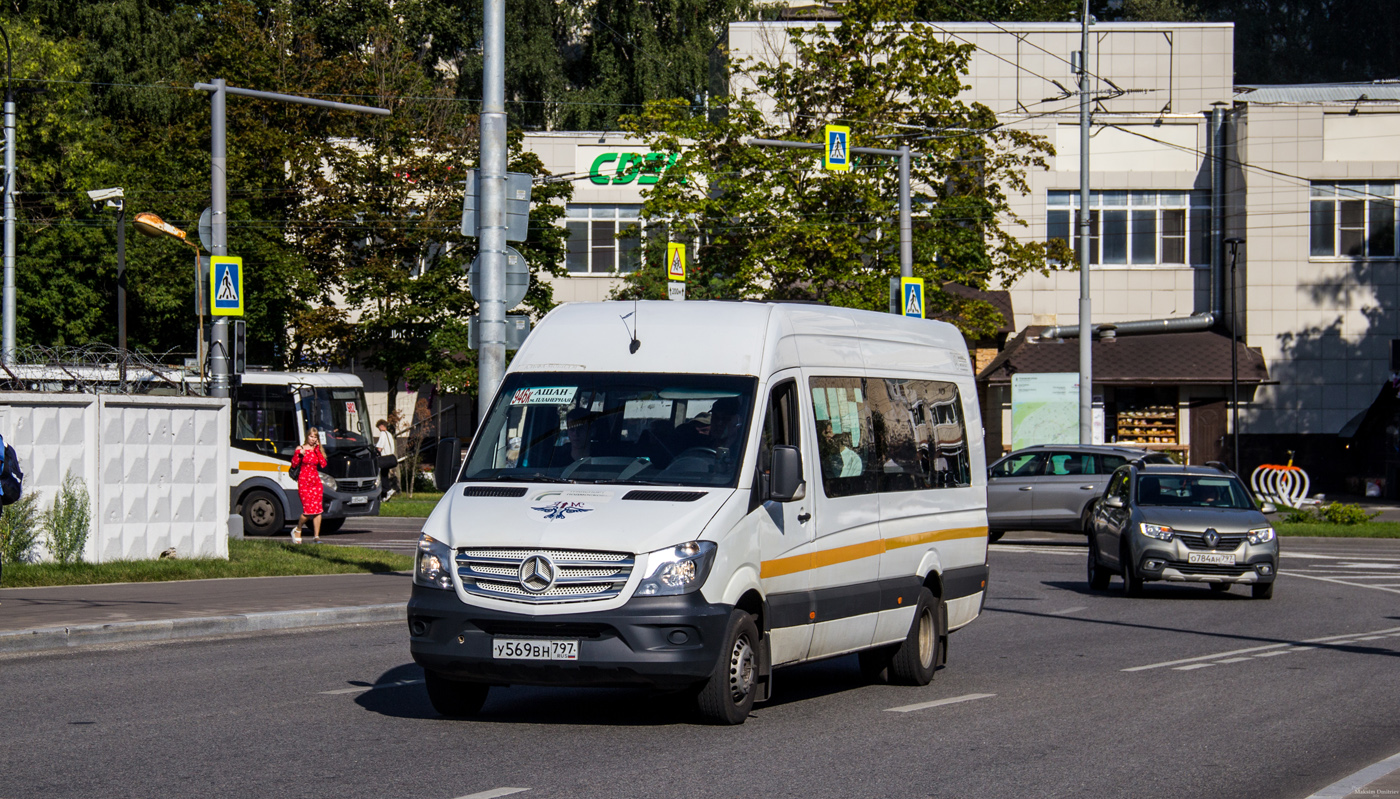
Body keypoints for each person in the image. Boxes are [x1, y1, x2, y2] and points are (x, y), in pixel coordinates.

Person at [290, 428, 328, 544]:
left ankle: (316, 536)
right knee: (308, 511)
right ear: (307, 437)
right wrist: (299, 455)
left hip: (315, 482)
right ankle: (298, 528)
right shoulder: (300, 449)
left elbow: (323, 464)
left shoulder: (317, 450)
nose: (313, 439)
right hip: (304, 482)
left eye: (315, 437)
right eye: (311, 437)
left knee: (318, 510)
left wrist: (317, 450)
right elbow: (294, 464)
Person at [375, 419, 397, 501]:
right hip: (390, 457)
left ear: (381, 426)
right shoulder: (389, 434)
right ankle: (384, 496)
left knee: (382, 476)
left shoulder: (383, 434)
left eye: (378, 427)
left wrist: (375, 451)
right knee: (384, 475)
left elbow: (380, 447)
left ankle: (388, 490)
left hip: (384, 458)